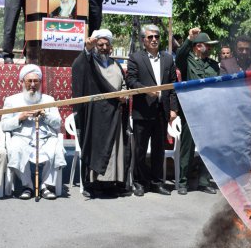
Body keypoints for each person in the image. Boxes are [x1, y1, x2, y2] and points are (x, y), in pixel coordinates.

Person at [72, 29, 131, 198]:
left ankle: (112, 183)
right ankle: (95, 183)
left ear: (111, 47)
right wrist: (87, 50)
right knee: (97, 148)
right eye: (100, 44)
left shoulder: (116, 64)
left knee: (114, 149)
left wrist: (124, 95)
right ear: (95, 46)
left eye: (107, 44)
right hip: (96, 115)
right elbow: (77, 67)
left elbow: (124, 86)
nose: (104, 47)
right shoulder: (89, 62)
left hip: (115, 115)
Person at [126, 25, 179, 196]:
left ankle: (157, 182)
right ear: (143, 40)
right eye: (150, 37)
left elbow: (172, 86)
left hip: (161, 112)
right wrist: (146, 89)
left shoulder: (168, 59)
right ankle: (139, 182)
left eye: (156, 36)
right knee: (140, 150)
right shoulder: (135, 58)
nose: (154, 39)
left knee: (158, 149)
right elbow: (131, 81)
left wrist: (173, 110)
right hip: (143, 111)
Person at [1, 65, 66, 200]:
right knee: (15, 148)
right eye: (29, 81)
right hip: (22, 136)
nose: (32, 85)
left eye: (36, 81)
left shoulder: (48, 100)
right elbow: (4, 125)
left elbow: (58, 123)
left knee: (56, 149)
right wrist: (20, 117)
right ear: (22, 82)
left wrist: (45, 115)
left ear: (40, 83)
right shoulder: (12, 100)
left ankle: (46, 186)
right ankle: (28, 186)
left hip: (45, 137)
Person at [175, 27, 219, 195]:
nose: (210, 48)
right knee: (187, 147)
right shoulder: (187, 61)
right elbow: (179, 55)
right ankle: (183, 182)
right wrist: (188, 38)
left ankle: (203, 181)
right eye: (207, 46)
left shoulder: (213, 65)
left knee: (208, 148)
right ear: (197, 46)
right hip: (191, 111)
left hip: (208, 111)